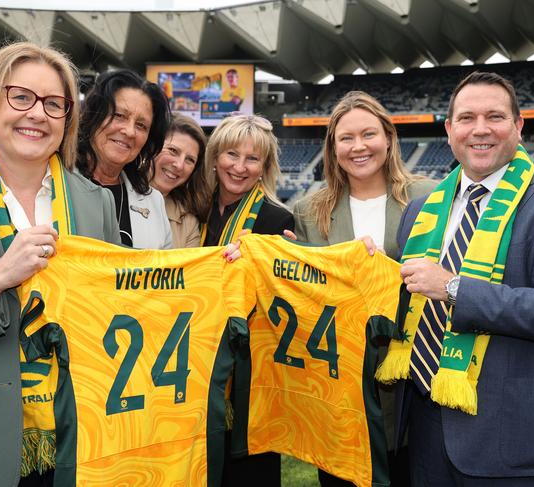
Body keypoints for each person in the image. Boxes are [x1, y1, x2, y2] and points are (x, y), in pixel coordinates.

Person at [379, 71, 534, 486]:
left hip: (509, 442)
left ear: (518, 126)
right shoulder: (421, 210)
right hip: (425, 432)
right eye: (466, 118)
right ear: (449, 130)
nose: (480, 129)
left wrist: (453, 287)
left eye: (494, 116)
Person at [0, 42, 120, 487]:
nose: (37, 114)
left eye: (54, 104)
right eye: (21, 97)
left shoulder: (96, 203)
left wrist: (224, 266)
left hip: (80, 438)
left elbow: (121, 305)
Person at [292, 90, 435, 486]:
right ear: (332, 147)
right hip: (342, 389)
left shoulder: (430, 196)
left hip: (415, 383)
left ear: (388, 138)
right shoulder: (308, 211)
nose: (358, 147)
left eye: (368, 134)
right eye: (346, 138)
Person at [202, 114, 294, 487]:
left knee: (249, 471)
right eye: (231, 154)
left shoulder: (277, 218)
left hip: (251, 369)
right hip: (197, 360)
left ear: (264, 167)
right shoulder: (195, 209)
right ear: (214, 157)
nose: (239, 167)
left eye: (252, 159)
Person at [77, 69, 172, 249]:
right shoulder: (54, 183)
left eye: (141, 125)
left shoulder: (154, 201)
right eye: (119, 116)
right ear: (92, 115)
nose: (129, 131)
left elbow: (166, 272)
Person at [150, 113, 208, 248]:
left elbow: (190, 269)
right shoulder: (116, 194)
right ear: (152, 146)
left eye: (190, 160)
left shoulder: (188, 221)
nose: (179, 165)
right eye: (173, 150)